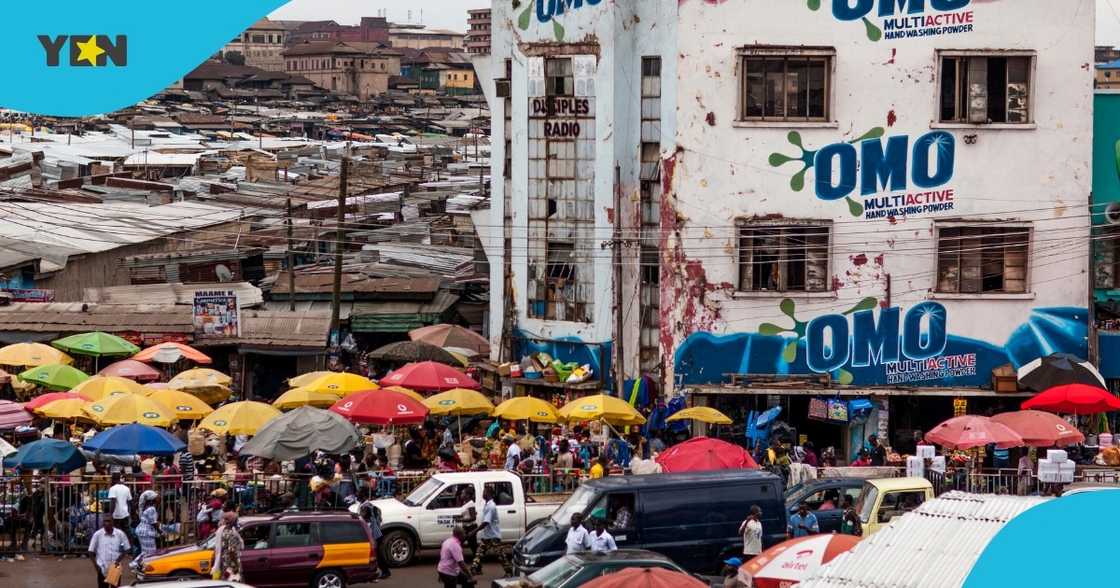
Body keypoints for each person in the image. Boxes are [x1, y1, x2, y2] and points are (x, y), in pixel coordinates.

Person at [471, 487, 512, 576]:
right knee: (479, 553)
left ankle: (509, 572)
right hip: (488, 535)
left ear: (489, 494)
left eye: (484, 492)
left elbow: (486, 522)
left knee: (501, 556)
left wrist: (474, 531)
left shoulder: (491, 506)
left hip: (493, 536)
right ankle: (473, 569)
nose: (483, 494)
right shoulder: (487, 504)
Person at [357, 487, 391, 581]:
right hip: (375, 533)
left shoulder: (366, 507)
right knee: (374, 554)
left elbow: (364, 520)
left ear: (363, 495)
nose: (357, 495)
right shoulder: (367, 505)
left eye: (359, 494)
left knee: (376, 555)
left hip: (373, 534)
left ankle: (384, 571)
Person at [88, 518, 129, 588]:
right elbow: (90, 551)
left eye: (108, 521)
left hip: (115, 568)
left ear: (112, 523)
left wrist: (118, 560)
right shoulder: (97, 534)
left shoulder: (120, 534)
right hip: (102, 568)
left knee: (115, 586)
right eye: (105, 521)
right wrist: (96, 566)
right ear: (103, 523)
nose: (107, 523)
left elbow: (127, 548)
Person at [212, 511, 243, 581]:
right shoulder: (231, 534)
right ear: (232, 521)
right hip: (230, 564)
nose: (237, 521)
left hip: (223, 562)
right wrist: (235, 567)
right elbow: (232, 551)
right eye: (236, 520)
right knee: (234, 582)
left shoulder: (222, 531)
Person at [106, 473, 133, 544]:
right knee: (127, 532)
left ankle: (118, 546)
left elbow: (113, 502)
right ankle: (129, 547)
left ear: (114, 479)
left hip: (116, 514)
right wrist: (131, 513)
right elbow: (130, 501)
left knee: (116, 532)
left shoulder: (112, 488)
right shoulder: (126, 488)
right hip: (125, 513)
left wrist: (110, 514)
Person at [135, 491, 161, 557]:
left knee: (145, 552)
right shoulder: (152, 509)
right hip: (146, 533)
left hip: (142, 531)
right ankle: (136, 564)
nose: (160, 499)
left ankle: (138, 565)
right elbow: (154, 523)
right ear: (153, 499)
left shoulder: (146, 507)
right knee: (151, 554)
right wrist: (160, 532)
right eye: (158, 498)